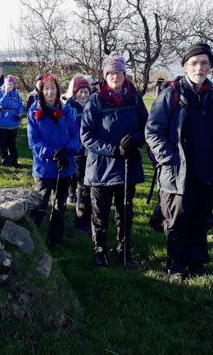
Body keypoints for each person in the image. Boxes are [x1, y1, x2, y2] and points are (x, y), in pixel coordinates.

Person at [145, 42, 213, 281]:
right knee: (177, 220)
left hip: (207, 170)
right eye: (194, 63)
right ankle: (176, 266)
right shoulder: (172, 95)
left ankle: (197, 263)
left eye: (204, 63)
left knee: (201, 219)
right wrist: (169, 160)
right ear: (185, 67)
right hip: (179, 172)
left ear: (210, 67)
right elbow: (153, 131)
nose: (199, 67)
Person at [80, 52, 148, 267]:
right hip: (101, 167)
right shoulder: (96, 100)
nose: (115, 76)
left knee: (125, 211)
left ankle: (124, 251)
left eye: (119, 72)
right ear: (105, 75)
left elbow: (147, 128)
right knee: (100, 213)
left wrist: (135, 140)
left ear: (124, 74)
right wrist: (113, 149)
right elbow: (87, 136)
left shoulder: (135, 98)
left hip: (128, 164)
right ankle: (100, 251)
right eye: (111, 72)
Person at [27, 73, 79, 247]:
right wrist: (52, 153)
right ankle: (31, 240)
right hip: (44, 167)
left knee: (60, 205)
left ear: (58, 91)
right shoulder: (34, 112)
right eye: (46, 88)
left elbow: (74, 134)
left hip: (65, 165)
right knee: (40, 205)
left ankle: (55, 240)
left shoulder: (65, 111)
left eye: (53, 88)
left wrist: (67, 151)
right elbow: (34, 142)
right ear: (41, 91)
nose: (50, 92)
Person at [65, 74, 93, 234]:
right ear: (75, 93)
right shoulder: (70, 107)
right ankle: (81, 222)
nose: (84, 95)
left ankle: (89, 218)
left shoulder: (92, 105)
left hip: (92, 152)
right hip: (77, 152)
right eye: (81, 92)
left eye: (86, 92)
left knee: (90, 186)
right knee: (82, 186)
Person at [0, 76, 23, 168]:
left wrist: (19, 114)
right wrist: (6, 93)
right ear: (4, 84)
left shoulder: (17, 94)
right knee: (3, 143)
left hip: (13, 123)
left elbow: (20, 106)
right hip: (2, 123)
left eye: (11, 84)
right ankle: (5, 160)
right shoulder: (0, 92)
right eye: (8, 84)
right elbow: (1, 104)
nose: (10, 86)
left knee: (12, 143)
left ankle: (14, 160)